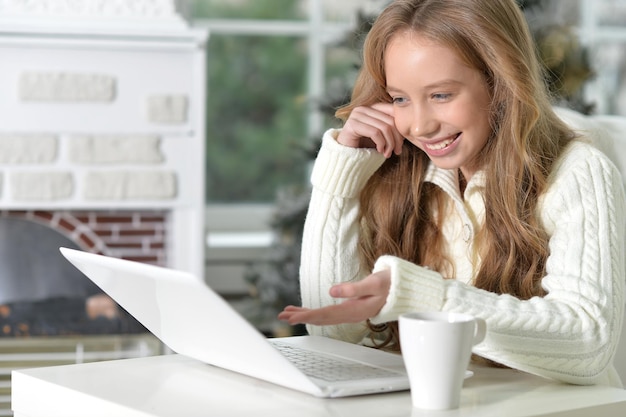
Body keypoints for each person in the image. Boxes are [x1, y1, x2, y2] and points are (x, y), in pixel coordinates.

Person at [278, 0, 626, 387]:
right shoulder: (398, 170)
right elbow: (333, 333)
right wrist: (340, 176)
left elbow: (587, 344)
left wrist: (429, 297)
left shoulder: (577, 170)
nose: (421, 126)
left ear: (501, 83)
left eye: (441, 95)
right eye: (399, 99)